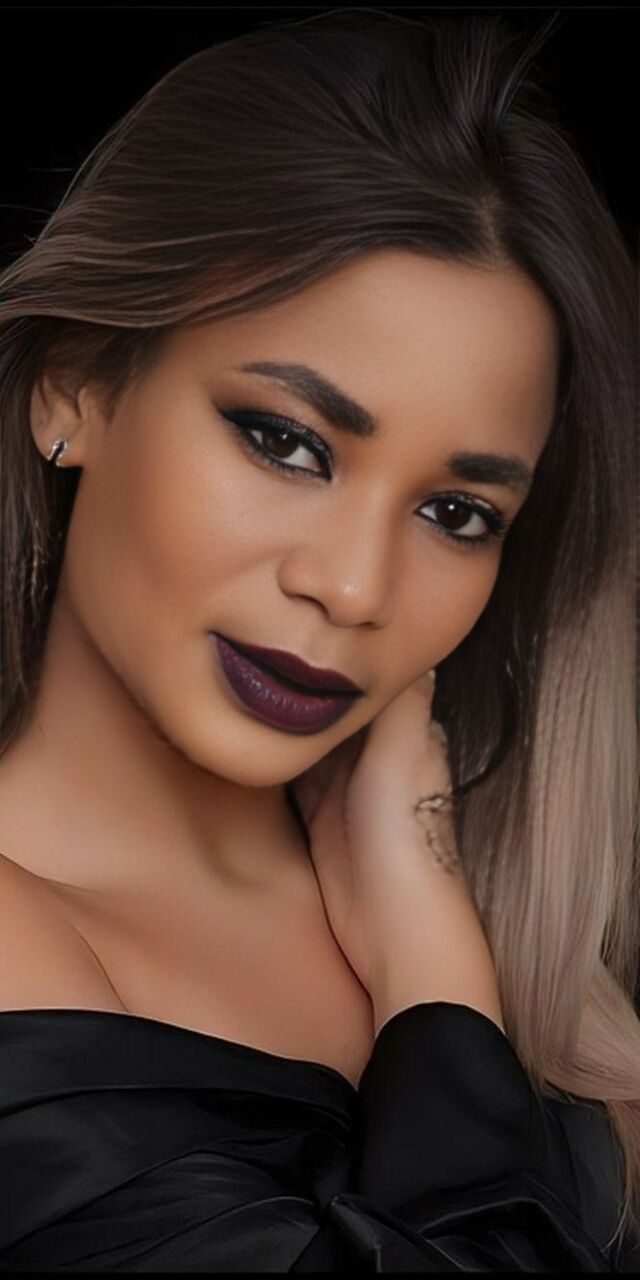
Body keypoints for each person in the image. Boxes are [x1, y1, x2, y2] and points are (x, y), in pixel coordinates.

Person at [0, 7, 637, 1271]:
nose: (352, 587)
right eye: (286, 441)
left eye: (456, 513)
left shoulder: (547, 956)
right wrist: (432, 979)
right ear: (76, 384)